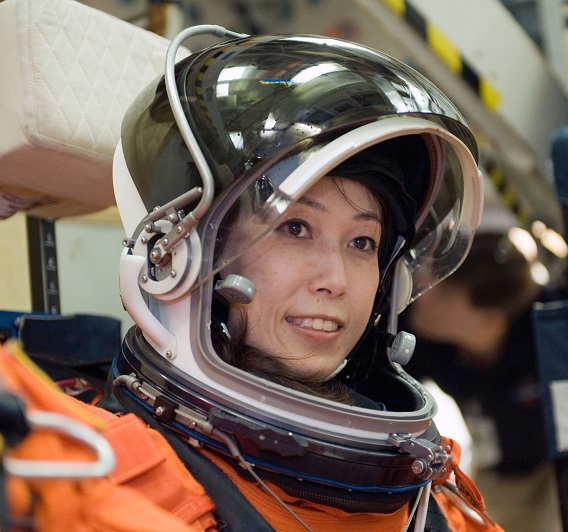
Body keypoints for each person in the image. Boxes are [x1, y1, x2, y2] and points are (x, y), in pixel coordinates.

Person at [96, 26, 502, 531]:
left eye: (362, 243)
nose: (336, 280)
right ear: (185, 257)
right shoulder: (121, 494)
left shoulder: (433, 501)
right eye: (294, 228)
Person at [401, 231, 563, 531]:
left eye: (444, 293)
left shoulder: (552, 336)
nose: (423, 293)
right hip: (496, 471)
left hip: (557, 470)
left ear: (488, 319)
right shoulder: (419, 340)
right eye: (432, 280)